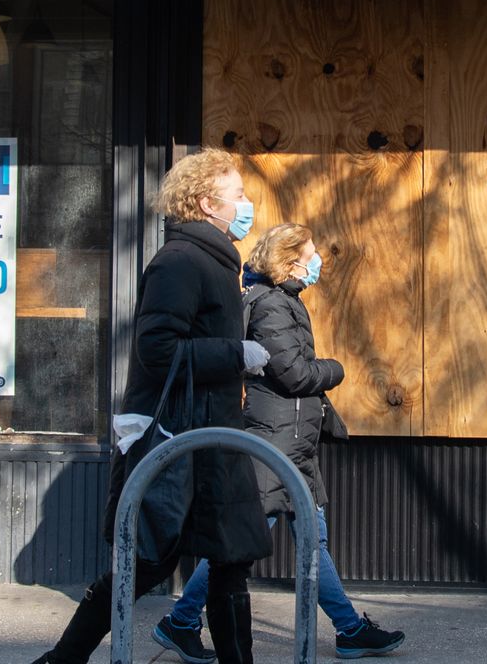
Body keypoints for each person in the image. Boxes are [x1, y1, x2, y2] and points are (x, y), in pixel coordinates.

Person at [30, 149, 274, 664]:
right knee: (147, 564)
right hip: (182, 442)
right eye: (238, 195)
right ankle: (63, 658)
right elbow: (156, 349)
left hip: (212, 437)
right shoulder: (181, 262)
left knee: (231, 560)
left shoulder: (214, 261)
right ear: (208, 203)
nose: (247, 204)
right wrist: (236, 354)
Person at [152, 223, 406, 663]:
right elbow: (296, 374)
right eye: (311, 254)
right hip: (276, 445)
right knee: (239, 546)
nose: (317, 262)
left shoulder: (283, 301)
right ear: (290, 263)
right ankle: (181, 620)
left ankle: (348, 629)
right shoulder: (271, 304)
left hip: (293, 445)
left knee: (312, 540)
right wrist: (336, 369)